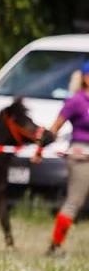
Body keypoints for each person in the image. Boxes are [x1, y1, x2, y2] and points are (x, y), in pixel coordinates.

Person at [38, 59, 89, 257]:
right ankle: (55, 246)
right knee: (74, 201)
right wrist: (41, 147)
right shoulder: (76, 101)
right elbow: (56, 127)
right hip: (81, 154)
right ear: (85, 78)